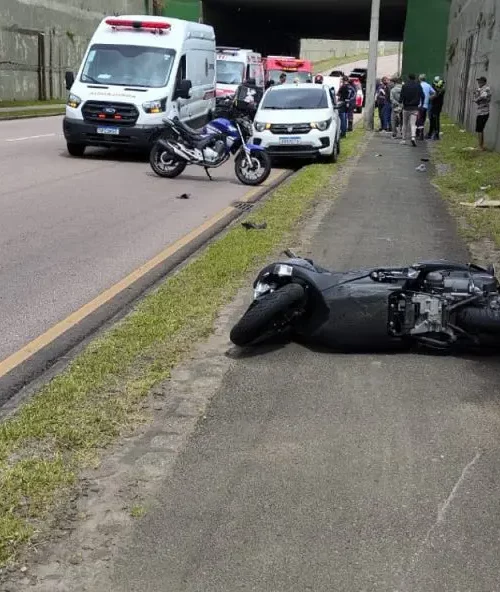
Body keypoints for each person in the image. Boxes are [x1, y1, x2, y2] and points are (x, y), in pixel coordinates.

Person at [400, 73, 424, 147]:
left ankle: (403, 139)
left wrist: (401, 103)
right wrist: (421, 104)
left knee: (405, 124)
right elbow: (423, 96)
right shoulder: (418, 86)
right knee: (413, 124)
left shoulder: (404, 86)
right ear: (415, 78)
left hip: (406, 108)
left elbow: (401, 97)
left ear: (408, 78)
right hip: (415, 108)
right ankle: (413, 137)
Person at [473, 76, 492, 151]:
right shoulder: (480, 89)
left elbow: (481, 98)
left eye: (480, 82)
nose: (478, 83)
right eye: (478, 82)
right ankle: (481, 145)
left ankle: (480, 146)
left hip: (484, 113)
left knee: (479, 129)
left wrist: (476, 99)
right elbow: (478, 100)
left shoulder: (486, 89)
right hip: (480, 112)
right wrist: (476, 96)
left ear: (484, 82)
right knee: (480, 129)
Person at [416, 74, 435, 140]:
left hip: (419, 105)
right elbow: (434, 93)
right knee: (423, 118)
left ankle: (420, 133)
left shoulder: (418, 85)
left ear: (419, 79)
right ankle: (419, 132)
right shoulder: (428, 85)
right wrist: (430, 98)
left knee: (418, 119)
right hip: (425, 105)